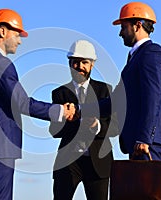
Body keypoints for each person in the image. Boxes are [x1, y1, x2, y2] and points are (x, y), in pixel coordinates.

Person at [0, 9, 75, 200]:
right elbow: (22, 103)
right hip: (1, 147)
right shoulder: (0, 63)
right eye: (17, 34)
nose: (19, 40)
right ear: (2, 32)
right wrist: (60, 111)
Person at [81, 2, 161, 161]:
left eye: (123, 27)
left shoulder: (151, 53)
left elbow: (153, 97)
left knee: (148, 186)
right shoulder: (135, 57)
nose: (120, 33)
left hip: (146, 143)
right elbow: (116, 101)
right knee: (138, 186)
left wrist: (145, 138)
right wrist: (80, 109)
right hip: (138, 142)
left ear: (137, 25)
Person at [49, 40, 116, 200]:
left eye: (84, 62)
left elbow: (115, 127)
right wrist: (78, 123)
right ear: (69, 63)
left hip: (98, 163)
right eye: (75, 62)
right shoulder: (59, 94)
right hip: (68, 163)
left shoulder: (105, 90)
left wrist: (96, 126)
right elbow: (54, 130)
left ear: (92, 64)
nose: (80, 66)